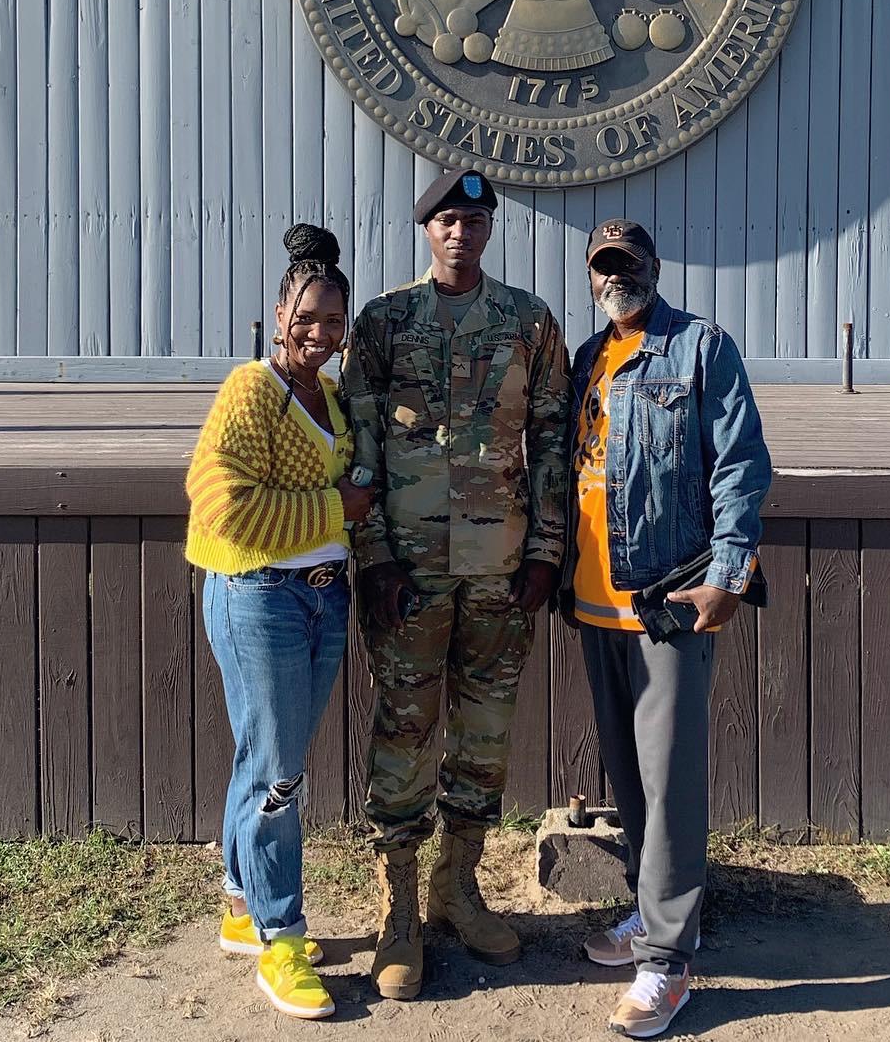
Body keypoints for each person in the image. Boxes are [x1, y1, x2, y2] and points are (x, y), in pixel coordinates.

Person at [341, 169, 570, 1001]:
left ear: (489, 229)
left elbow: (552, 437)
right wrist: (373, 557)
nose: (461, 232)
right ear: (425, 229)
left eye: (474, 220)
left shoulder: (527, 322)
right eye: (447, 219)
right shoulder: (383, 323)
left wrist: (546, 549)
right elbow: (356, 446)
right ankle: (398, 905)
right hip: (409, 567)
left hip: (501, 570)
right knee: (405, 730)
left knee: (485, 733)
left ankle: (457, 884)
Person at [560, 219, 771, 1040]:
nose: (617, 278)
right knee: (631, 778)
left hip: (668, 598)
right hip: (592, 602)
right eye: (603, 267)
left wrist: (729, 571)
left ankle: (670, 960)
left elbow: (742, 464)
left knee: (672, 780)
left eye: (629, 265)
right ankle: (652, 921)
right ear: (590, 278)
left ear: (654, 268)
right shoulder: (587, 357)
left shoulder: (701, 348)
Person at [184, 224, 374, 1021]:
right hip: (258, 591)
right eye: (307, 317)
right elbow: (222, 501)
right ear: (278, 311)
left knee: (265, 755)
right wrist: (338, 506)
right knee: (280, 774)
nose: (320, 333)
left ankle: (240, 902)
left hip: (324, 595)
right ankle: (280, 935)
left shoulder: (327, 395)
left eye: (334, 320)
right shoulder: (250, 390)